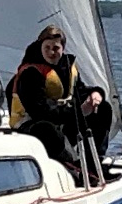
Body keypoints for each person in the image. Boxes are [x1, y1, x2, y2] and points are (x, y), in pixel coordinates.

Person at [6, 25, 113, 177]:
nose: (51, 52)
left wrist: (96, 94)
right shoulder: (30, 73)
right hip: (32, 125)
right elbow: (41, 112)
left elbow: (80, 92)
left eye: (56, 48)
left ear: (62, 48)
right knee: (46, 128)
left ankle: (93, 163)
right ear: (40, 46)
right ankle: (75, 167)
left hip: (61, 121)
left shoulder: (67, 67)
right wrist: (78, 112)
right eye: (47, 47)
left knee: (103, 109)